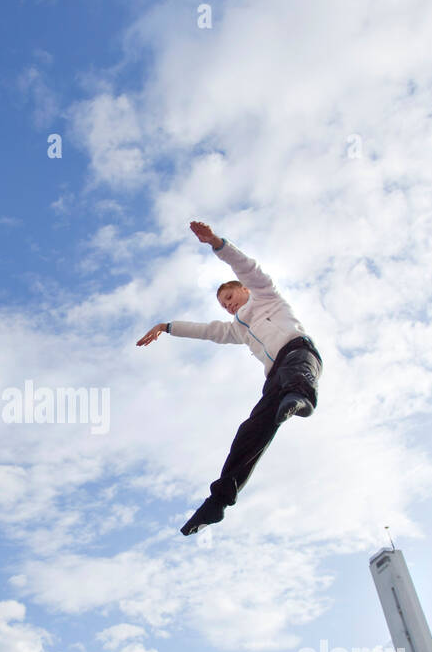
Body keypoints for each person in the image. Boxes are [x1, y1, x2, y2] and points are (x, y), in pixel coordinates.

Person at [137, 221, 322, 534]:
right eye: (224, 304)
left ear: (245, 290)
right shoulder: (236, 329)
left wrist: (217, 243)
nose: (228, 304)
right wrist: (167, 326)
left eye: (231, 297)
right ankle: (218, 502)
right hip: (276, 381)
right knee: (249, 433)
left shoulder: (266, 295)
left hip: (300, 355)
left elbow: (246, 267)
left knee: (294, 373)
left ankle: (302, 398)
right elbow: (207, 331)